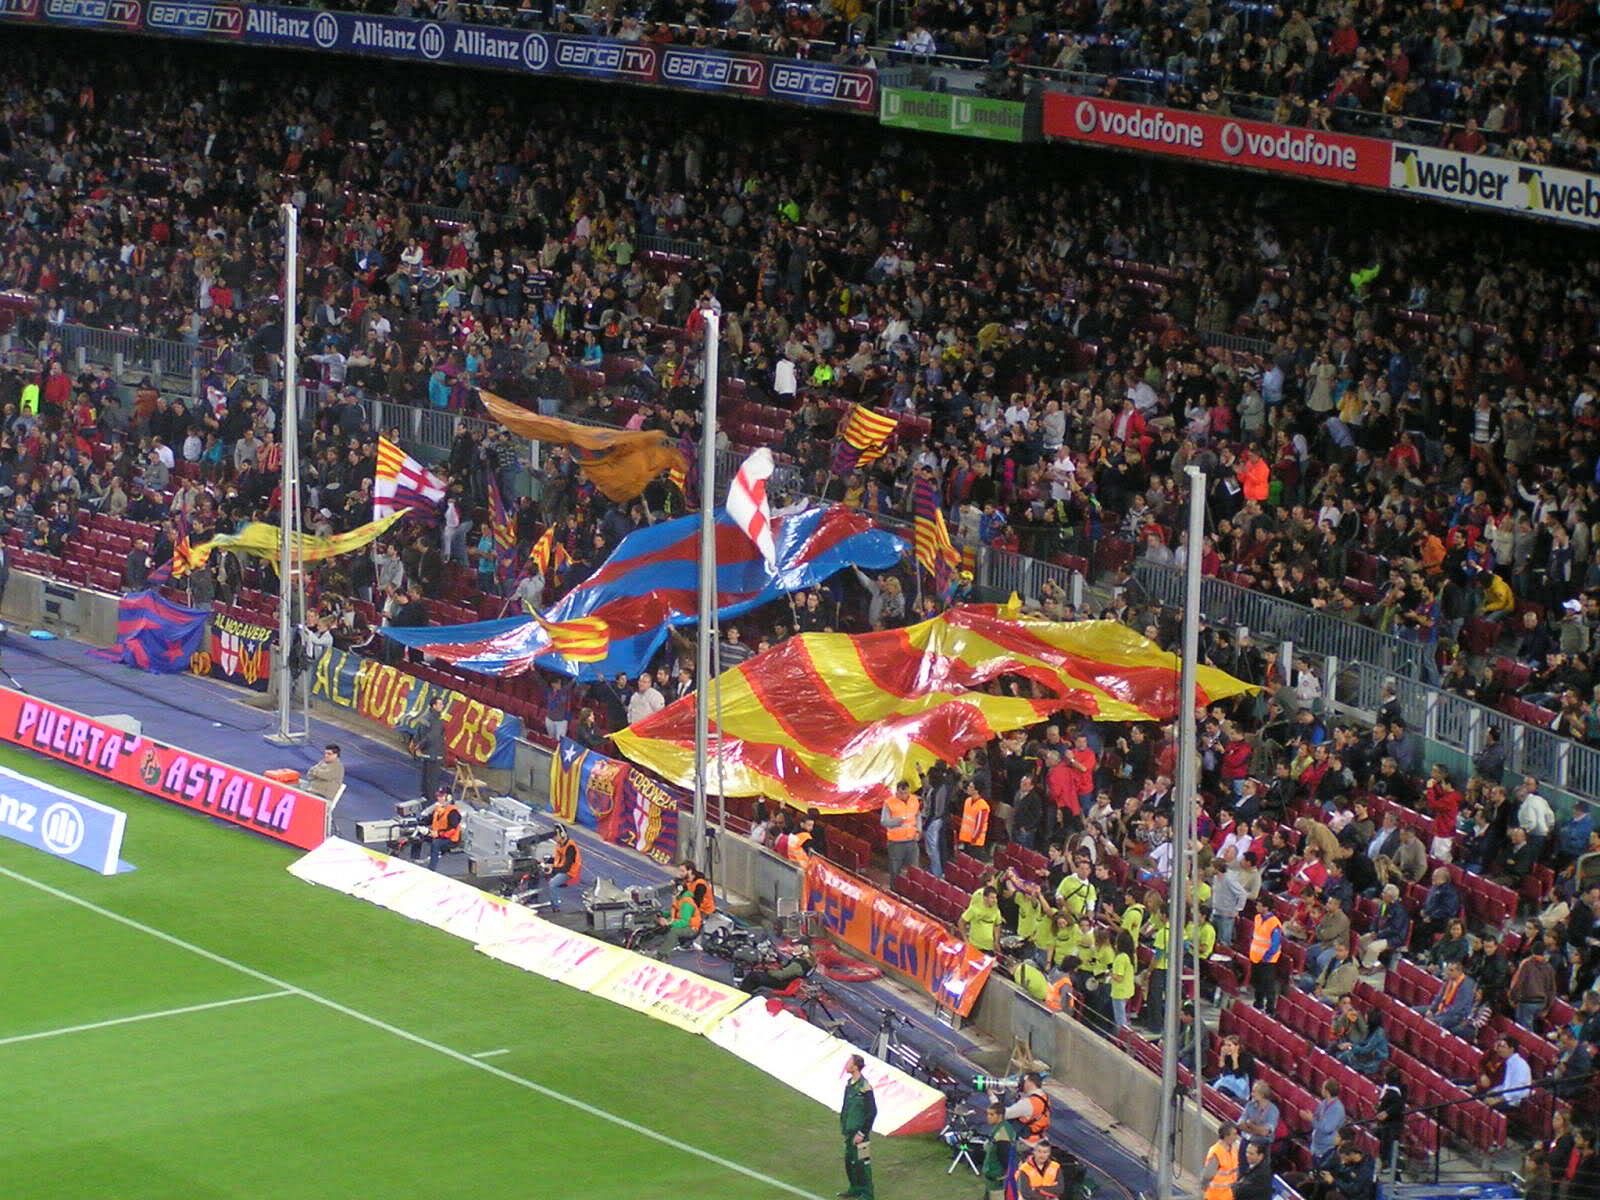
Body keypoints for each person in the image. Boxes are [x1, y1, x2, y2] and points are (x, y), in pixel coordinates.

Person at [839, 1054, 876, 1200]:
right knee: (849, 1162)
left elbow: (872, 1112)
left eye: (849, 1062)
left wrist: (862, 1133)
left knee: (863, 1163)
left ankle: (868, 1194)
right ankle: (855, 1188)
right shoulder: (850, 1084)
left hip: (861, 1135)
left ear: (855, 1067)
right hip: (849, 1132)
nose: (846, 1064)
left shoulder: (865, 1087)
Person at [637, 882, 701, 958]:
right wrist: (661, 914)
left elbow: (685, 922)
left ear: (679, 890)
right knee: (656, 923)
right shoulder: (679, 899)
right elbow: (673, 912)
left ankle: (662, 954)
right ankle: (643, 945)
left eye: (673, 889)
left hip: (691, 928)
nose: (671, 891)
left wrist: (669, 923)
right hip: (680, 922)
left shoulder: (687, 903)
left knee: (673, 931)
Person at [1421, 960, 1478, 1038]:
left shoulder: (1467, 986)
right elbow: (1439, 996)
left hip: (1456, 1016)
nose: (1448, 972)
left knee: (1432, 1022)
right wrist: (1431, 1009)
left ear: (1459, 971)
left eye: (1451, 970)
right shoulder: (1449, 979)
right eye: (1448, 969)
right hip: (1442, 1009)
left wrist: (1438, 1014)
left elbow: (1458, 1008)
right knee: (1414, 1011)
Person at [411, 786, 461, 870]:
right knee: (418, 836)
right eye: (438, 795)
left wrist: (438, 834)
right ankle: (414, 859)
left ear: (448, 797)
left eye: (441, 796)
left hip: (450, 839)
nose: (438, 798)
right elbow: (430, 820)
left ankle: (431, 868)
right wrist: (420, 823)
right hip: (438, 834)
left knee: (436, 843)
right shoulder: (438, 808)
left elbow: (452, 830)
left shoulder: (453, 812)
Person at [882, 780, 921, 883]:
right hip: (896, 842)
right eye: (901, 793)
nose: (904, 795)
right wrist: (898, 821)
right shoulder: (889, 803)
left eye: (906, 793)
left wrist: (918, 831)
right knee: (895, 869)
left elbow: (918, 815)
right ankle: (894, 888)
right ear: (897, 792)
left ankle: (912, 889)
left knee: (914, 869)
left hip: (912, 840)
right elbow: (884, 822)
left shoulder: (914, 800)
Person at [409, 695, 447, 799]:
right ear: (434, 706)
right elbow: (431, 737)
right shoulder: (436, 721)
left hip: (425, 753)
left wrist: (417, 746)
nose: (442, 706)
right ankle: (431, 800)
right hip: (434, 755)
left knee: (426, 777)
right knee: (433, 780)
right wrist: (418, 746)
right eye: (440, 704)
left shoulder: (424, 717)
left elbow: (418, 733)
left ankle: (424, 797)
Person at [1002, 1072, 1052, 1149]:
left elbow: (1003, 1114)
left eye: (1023, 1082)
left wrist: (994, 1095)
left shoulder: (1028, 1103)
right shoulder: (1044, 1097)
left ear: (1029, 1082)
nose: (1021, 1084)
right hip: (1038, 1140)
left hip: (1025, 1144)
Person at [1250, 908, 1284, 1014]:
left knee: (1268, 985)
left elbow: (1275, 944)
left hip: (1268, 960)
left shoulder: (1274, 923)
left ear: (1265, 907)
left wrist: (1267, 957)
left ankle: (1270, 1009)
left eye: (1259, 905)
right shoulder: (1257, 918)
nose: (1257, 907)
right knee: (1257, 983)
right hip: (1255, 956)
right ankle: (1258, 1003)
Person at [982, 1100, 1016, 1200]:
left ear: (1000, 1116)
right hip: (992, 1175)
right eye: (987, 1114)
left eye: (991, 1114)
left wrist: (1003, 1174)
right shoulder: (1000, 1127)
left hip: (997, 1178)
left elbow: (1004, 1156)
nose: (988, 1117)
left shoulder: (1002, 1132)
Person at [543, 826, 581, 911]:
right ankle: (533, 899)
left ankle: (555, 907)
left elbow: (566, 868)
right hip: (560, 868)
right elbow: (558, 858)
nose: (554, 838)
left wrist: (552, 870)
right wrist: (547, 861)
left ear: (562, 835)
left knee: (552, 883)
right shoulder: (559, 844)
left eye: (556, 835)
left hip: (569, 872)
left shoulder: (570, 847)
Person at [1203, 1122, 1241, 1200]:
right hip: (1215, 1196)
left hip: (1229, 1195)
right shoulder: (1216, 1152)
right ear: (1226, 1135)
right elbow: (1207, 1176)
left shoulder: (1234, 1150)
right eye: (1234, 1134)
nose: (1236, 1137)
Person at [961, 885, 1004, 953]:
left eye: (995, 898)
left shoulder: (996, 911)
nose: (995, 900)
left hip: (989, 948)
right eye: (992, 898)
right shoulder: (974, 908)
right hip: (974, 947)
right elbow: (961, 922)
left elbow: (997, 925)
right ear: (985, 898)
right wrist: (966, 940)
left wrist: (996, 942)